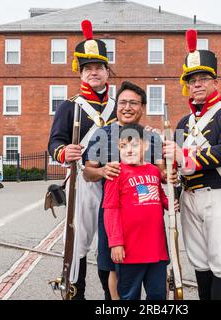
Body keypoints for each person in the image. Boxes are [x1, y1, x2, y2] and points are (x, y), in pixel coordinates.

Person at [163, 30, 221, 300]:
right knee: (199, 261)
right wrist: (173, 183)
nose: (197, 84)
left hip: (219, 194)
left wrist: (182, 156)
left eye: (203, 79)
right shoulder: (183, 123)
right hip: (189, 196)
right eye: (192, 80)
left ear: (215, 82)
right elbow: (175, 168)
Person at [48, 20, 117, 300]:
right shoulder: (70, 105)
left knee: (112, 243)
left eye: (98, 68)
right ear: (81, 72)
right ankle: (76, 294)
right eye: (88, 68)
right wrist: (65, 153)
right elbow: (54, 143)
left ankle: (111, 297)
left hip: (114, 180)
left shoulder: (119, 105)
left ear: (106, 71)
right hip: (83, 182)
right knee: (78, 244)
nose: (93, 73)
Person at [83, 81, 165, 300]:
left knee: (153, 274)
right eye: (123, 102)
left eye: (134, 103)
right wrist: (102, 172)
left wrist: (171, 175)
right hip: (115, 213)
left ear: (142, 107)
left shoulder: (151, 137)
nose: (127, 107)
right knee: (112, 269)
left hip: (146, 221)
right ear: (116, 105)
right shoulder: (103, 134)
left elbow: (161, 174)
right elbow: (87, 173)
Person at [103, 124, 174, 300]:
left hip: (156, 249)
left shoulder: (153, 171)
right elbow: (110, 210)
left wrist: (170, 203)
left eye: (134, 145)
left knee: (158, 295)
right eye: (123, 146)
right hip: (130, 251)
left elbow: (156, 195)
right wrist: (115, 242)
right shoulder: (116, 173)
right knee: (129, 296)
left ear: (146, 145)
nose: (128, 150)